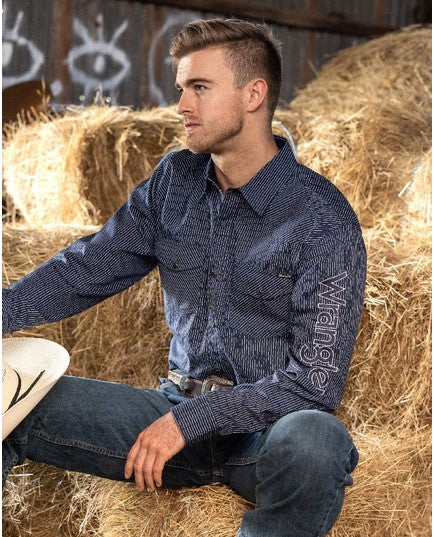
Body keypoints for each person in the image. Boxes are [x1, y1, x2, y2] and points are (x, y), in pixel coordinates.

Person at [2, 18, 366, 537]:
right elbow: (89, 267)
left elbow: (315, 383)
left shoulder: (321, 219)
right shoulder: (175, 181)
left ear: (253, 95)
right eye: (181, 88)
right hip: (167, 408)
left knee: (317, 441)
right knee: (9, 396)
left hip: (259, 436)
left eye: (199, 88)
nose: (181, 106)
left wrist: (191, 422)